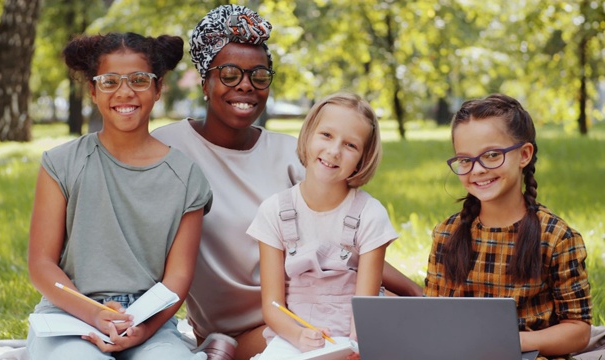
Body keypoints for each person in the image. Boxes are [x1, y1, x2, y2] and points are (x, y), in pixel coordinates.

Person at [152, 5, 421, 360]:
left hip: (323, 309)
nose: (245, 85)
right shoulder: (170, 148)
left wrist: (420, 294)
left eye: (259, 75)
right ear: (205, 81)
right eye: (229, 73)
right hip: (256, 324)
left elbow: (348, 245)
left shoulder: (292, 153)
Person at [26, 32, 212, 359]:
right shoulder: (61, 163)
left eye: (139, 80)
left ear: (158, 88)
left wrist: (144, 328)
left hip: (148, 319)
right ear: (93, 91)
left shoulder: (186, 177)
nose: (125, 91)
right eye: (110, 81)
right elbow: (41, 264)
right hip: (69, 312)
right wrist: (93, 313)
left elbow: (178, 277)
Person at [424, 94, 592, 359]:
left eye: (491, 155)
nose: (477, 170)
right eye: (465, 160)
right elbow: (434, 317)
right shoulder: (447, 234)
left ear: (524, 155)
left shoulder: (556, 237)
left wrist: (508, 341)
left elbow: (578, 331)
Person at [247, 92, 395, 357]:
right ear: (308, 135)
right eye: (326, 135)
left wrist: (354, 347)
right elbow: (272, 307)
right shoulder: (274, 211)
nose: (334, 151)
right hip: (293, 338)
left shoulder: (371, 214)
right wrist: (298, 336)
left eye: (351, 145)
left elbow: (366, 309)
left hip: (351, 341)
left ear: (363, 159)